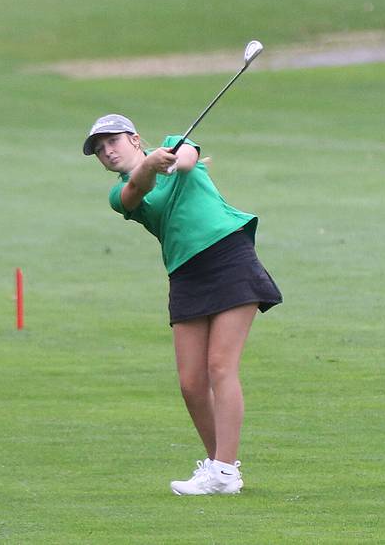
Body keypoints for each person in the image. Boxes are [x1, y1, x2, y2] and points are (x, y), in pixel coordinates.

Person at [83, 113, 282, 496]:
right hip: (187, 273)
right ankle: (219, 469)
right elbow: (135, 191)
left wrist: (166, 158)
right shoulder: (118, 195)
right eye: (99, 149)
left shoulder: (176, 142)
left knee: (220, 366)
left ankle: (224, 470)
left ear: (135, 139)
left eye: (113, 141)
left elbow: (187, 159)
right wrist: (149, 167)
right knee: (191, 383)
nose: (107, 151)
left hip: (228, 256)